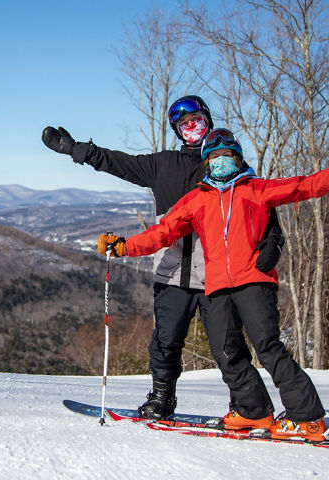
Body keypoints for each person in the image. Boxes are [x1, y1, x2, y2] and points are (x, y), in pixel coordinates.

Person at [98, 129, 329, 441]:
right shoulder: (196, 200)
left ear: (238, 159)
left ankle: (306, 417)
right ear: (205, 163)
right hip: (215, 288)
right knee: (226, 353)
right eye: (212, 157)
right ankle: (252, 410)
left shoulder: (255, 189)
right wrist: (123, 247)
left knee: (268, 348)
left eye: (225, 155)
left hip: (253, 281)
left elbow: (303, 187)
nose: (219, 161)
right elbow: (163, 232)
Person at [42, 96, 284, 420]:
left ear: (208, 120)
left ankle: (246, 406)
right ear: (177, 130)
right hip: (171, 275)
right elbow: (118, 162)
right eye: (184, 124)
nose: (191, 127)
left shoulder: (225, 161)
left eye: (196, 119)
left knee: (228, 347)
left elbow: (259, 203)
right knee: (165, 343)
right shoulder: (163, 165)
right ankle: (161, 399)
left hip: (217, 276)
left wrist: (273, 243)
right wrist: (76, 150)